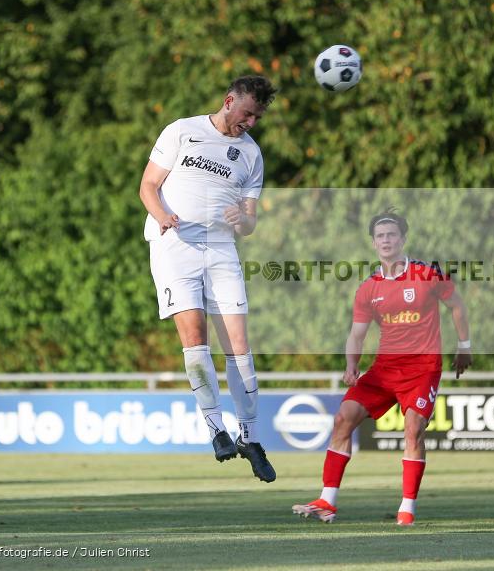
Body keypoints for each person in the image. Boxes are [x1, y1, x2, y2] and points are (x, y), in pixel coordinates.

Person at [292, 209, 472, 525]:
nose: (386, 240)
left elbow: (457, 305)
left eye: (391, 235)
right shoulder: (368, 288)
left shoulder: (428, 274)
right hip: (384, 369)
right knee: (342, 418)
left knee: (414, 428)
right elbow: (357, 334)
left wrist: (464, 346)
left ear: (402, 239)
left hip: (422, 367)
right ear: (374, 243)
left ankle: (407, 509)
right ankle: (327, 501)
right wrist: (351, 365)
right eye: (380, 236)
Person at [139, 75, 277, 482]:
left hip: (220, 248)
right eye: (247, 112)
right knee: (194, 334)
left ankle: (249, 438)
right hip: (174, 242)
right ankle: (216, 430)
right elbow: (148, 186)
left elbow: (250, 221)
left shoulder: (251, 155)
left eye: (257, 117)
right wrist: (163, 217)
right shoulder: (182, 131)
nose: (250, 122)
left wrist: (245, 220)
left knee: (239, 345)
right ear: (229, 100)